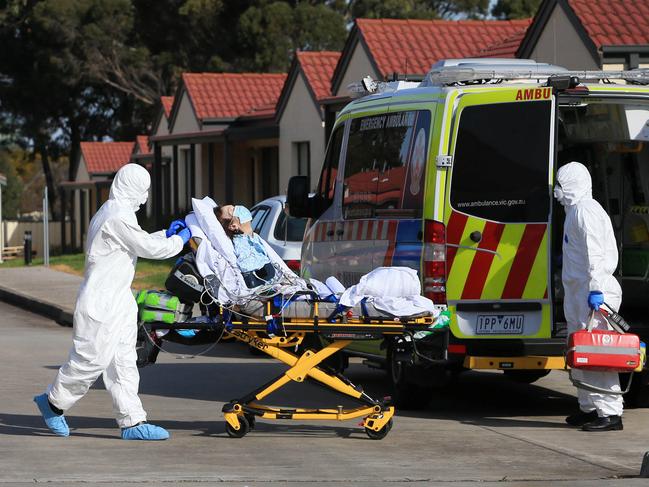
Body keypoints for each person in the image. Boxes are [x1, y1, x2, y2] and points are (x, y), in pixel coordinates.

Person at [33, 164, 191, 440]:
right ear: (131, 188)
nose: (144, 199)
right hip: (101, 303)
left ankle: (132, 422)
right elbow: (148, 248)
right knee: (90, 361)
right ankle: (53, 402)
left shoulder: (118, 213)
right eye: (142, 191)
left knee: (124, 362)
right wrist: (181, 239)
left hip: (119, 301)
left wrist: (167, 233)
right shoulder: (116, 216)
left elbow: (137, 241)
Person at [555, 161, 624, 432]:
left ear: (573, 184)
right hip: (579, 291)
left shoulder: (586, 211)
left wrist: (596, 289)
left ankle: (611, 414)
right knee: (580, 351)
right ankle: (589, 407)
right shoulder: (574, 212)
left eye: (561, 185)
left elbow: (596, 254)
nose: (557, 191)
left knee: (598, 354)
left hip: (594, 291)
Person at [215, 204, 275, 288]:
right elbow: (244, 260)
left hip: (265, 267)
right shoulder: (239, 242)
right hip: (253, 275)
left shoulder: (255, 236)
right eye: (232, 210)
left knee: (271, 273)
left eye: (234, 207)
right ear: (233, 226)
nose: (237, 208)